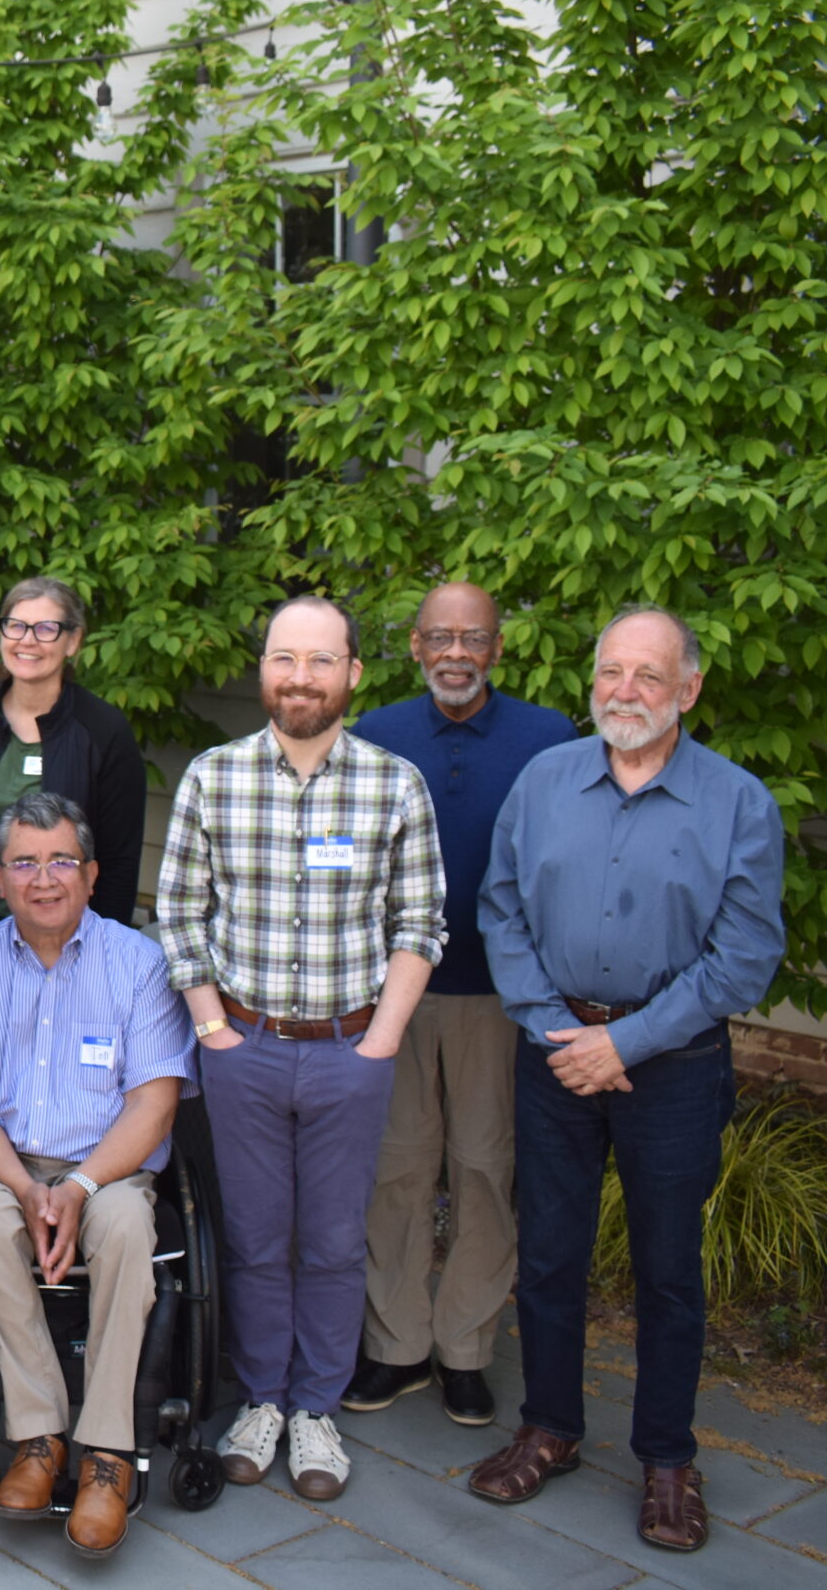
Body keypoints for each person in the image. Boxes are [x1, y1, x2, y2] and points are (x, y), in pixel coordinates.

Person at [469, 606, 783, 1553]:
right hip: (557, 1050)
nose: (626, 692)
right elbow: (501, 910)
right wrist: (556, 1027)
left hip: (674, 1069)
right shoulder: (544, 781)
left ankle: (666, 1457)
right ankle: (552, 1427)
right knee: (552, 1255)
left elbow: (742, 959)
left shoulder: (738, 803)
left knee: (668, 1272)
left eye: (649, 676)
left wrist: (628, 1042)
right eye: (612, 672)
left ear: (687, 690)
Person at [154, 595, 445, 1501]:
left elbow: (419, 920)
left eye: (322, 660)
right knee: (251, 1233)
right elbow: (178, 910)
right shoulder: (214, 776)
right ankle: (262, 1399)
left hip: (349, 1049)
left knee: (328, 1237)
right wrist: (212, 1029)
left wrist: (384, 1039)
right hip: (241, 1044)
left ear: (354, 673)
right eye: (285, 658)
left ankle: (317, 1406)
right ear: (264, 670)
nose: (301, 677)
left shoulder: (394, 784)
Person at [0, 793, 195, 1557]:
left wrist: (76, 1188)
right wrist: (24, 1185)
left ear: (92, 872)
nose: (44, 878)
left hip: (106, 1162)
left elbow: (153, 1101)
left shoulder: (139, 964)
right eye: (25, 862)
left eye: (61, 861)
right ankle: (38, 1434)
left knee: (126, 1228)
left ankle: (107, 1451)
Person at [345, 584, 577, 1424]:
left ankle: (466, 1348)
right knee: (398, 1169)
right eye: (439, 636)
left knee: (485, 1169)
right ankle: (395, 1344)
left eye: (471, 638)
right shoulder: (375, 736)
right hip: (393, 995)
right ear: (414, 645)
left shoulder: (549, 740)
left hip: (499, 996)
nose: (454, 652)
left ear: (496, 648)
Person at [0, 576, 147, 947]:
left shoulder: (104, 732)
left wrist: (102, 954)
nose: (27, 640)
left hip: (63, 942)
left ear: (73, 640)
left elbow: (119, 863)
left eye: (46, 628)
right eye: (16, 625)